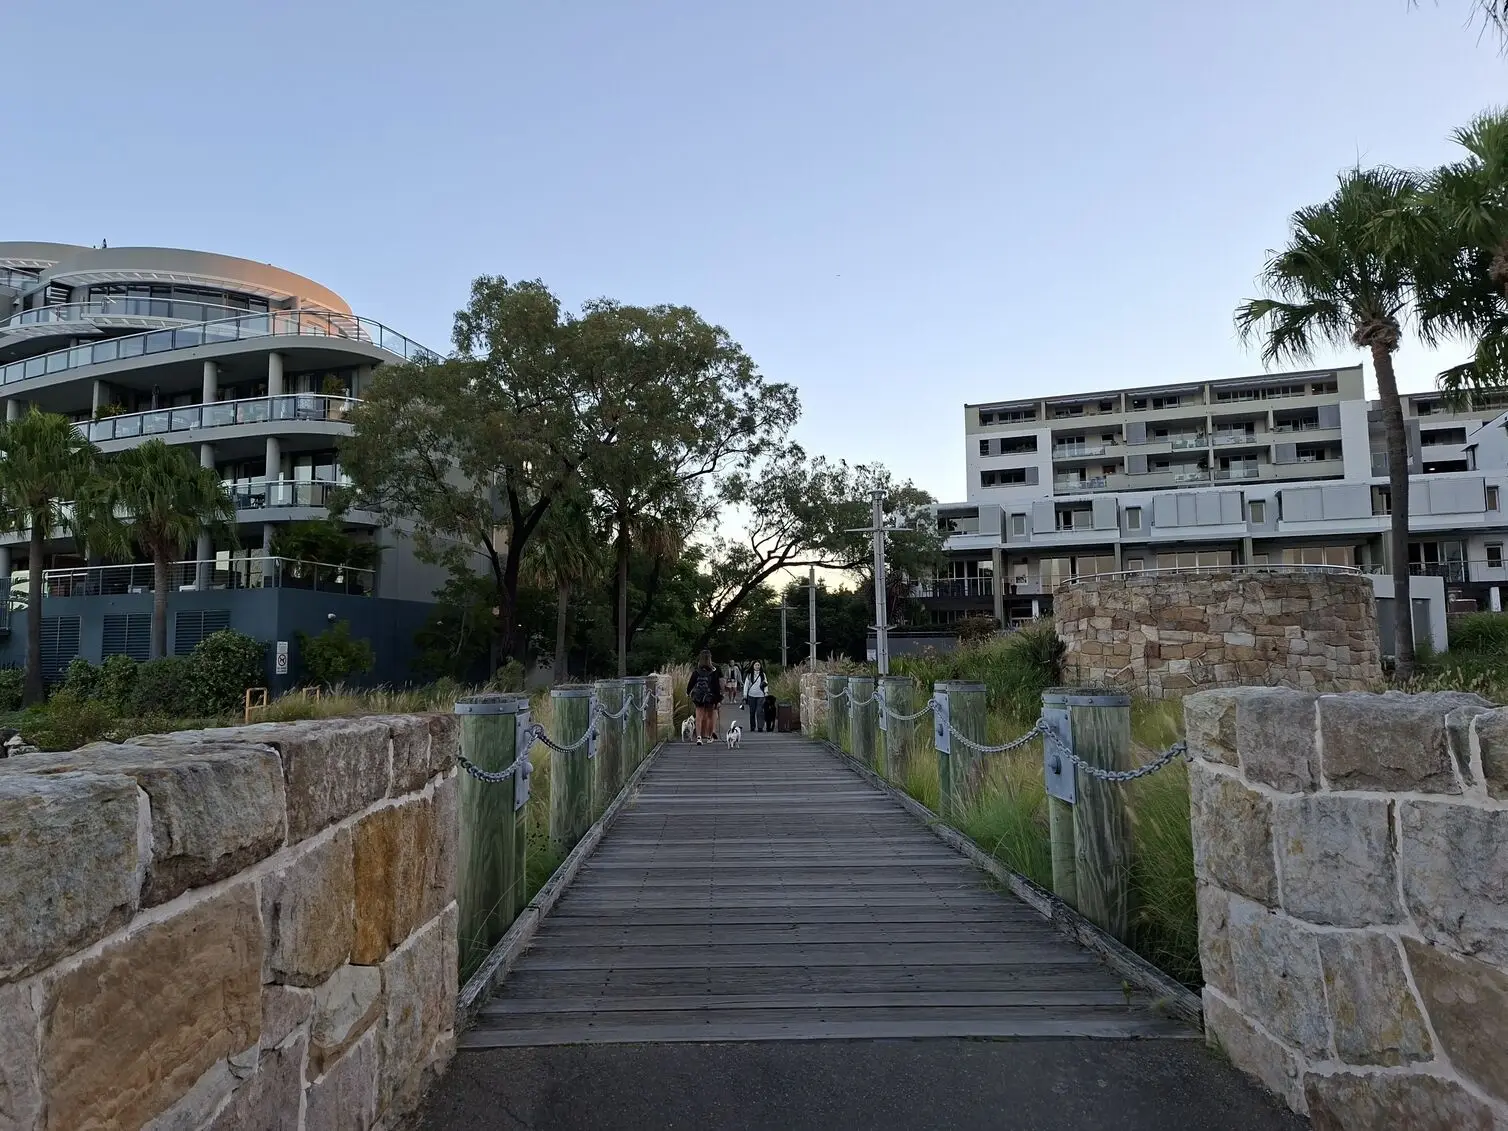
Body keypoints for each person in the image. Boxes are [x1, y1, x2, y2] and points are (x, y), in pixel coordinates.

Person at [687, 650, 723, 746]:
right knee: (710, 717)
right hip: (710, 697)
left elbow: (691, 683)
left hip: (698, 697)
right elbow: (716, 686)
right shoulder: (714, 671)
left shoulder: (697, 671)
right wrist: (718, 698)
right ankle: (710, 736)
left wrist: (688, 693)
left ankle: (699, 738)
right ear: (710, 658)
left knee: (699, 717)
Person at [743, 661, 770, 732]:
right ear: (753, 666)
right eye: (756, 665)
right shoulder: (749, 675)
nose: (757, 666)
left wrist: (766, 692)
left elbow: (765, 683)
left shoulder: (762, 674)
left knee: (760, 711)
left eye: (758, 665)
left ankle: (760, 727)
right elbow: (746, 685)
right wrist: (745, 695)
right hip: (751, 695)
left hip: (760, 695)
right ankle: (752, 726)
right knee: (752, 712)